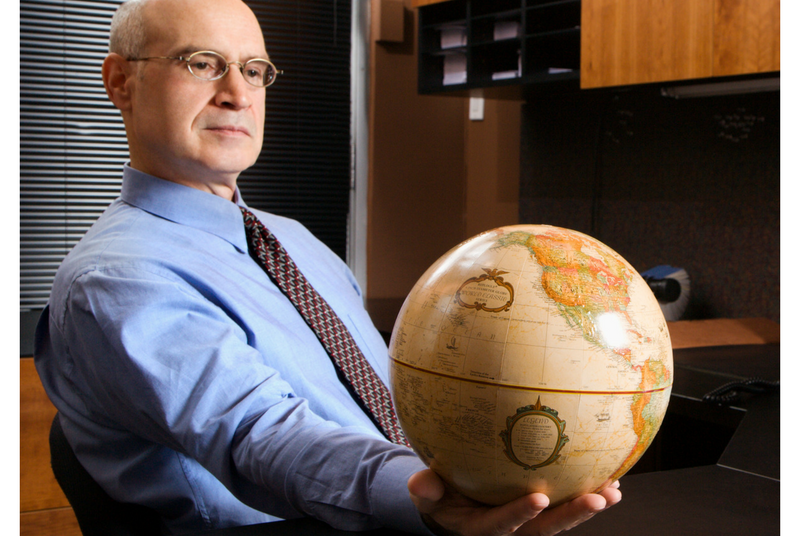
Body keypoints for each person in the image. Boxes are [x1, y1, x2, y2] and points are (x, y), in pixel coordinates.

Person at [33, 0, 622, 534]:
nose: (237, 94)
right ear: (121, 81)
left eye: (254, 70)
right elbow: (261, 433)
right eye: (202, 63)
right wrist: (428, 499)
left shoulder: (298, 244)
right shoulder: (119, 278)